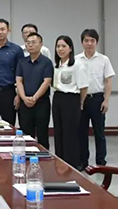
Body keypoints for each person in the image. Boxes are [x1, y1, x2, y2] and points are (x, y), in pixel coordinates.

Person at [76, 29, 115, 170]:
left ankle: (100, 162)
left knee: (99, 132)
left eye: (92, 41)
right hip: (81, 100)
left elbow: (108, 81)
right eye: (86, 40)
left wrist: (106, 100)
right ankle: (83, 161)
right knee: (81, 132)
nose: (89, 43)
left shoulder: (104, 60)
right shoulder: (76, 60)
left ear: (96, 42)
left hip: (97, 99)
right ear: (82, 42)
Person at [52, 35, 89, 169]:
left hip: (71, 99)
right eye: (58, 46)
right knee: (58, 131)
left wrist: (81, 103)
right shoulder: (57, 66)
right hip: (58, 98)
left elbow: (84, 87)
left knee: (70, 133)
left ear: (70, 48)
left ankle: (71, 164)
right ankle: (60, 161)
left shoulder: (77, 65)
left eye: (64, 46)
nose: (60, 49)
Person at [16, 32, 53, 148]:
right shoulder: (22, 62)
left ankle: (44, 157)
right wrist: (24, 98)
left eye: (33, 42)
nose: (30, 45)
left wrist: (34, 98)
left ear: (41, 44)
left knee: (42, 134)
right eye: (28, 43)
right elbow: (19, 81)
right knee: (26, 134)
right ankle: (27, 156)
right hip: (24, 103)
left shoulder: (46, 62)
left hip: (41, 103)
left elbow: (46, 82)